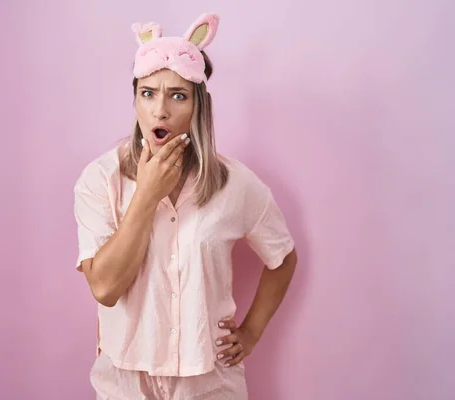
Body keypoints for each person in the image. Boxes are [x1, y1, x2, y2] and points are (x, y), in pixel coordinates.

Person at [73, 12, 298, 399]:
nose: (160, 111)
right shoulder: (100, 179)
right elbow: (106, 288)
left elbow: (283, 257)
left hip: (209, 380)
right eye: (148, 93)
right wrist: (145, 194)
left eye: (178, 95)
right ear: (135, 101)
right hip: (126, 381)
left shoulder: (235, 183)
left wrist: (251, 332)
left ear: (198, 106)